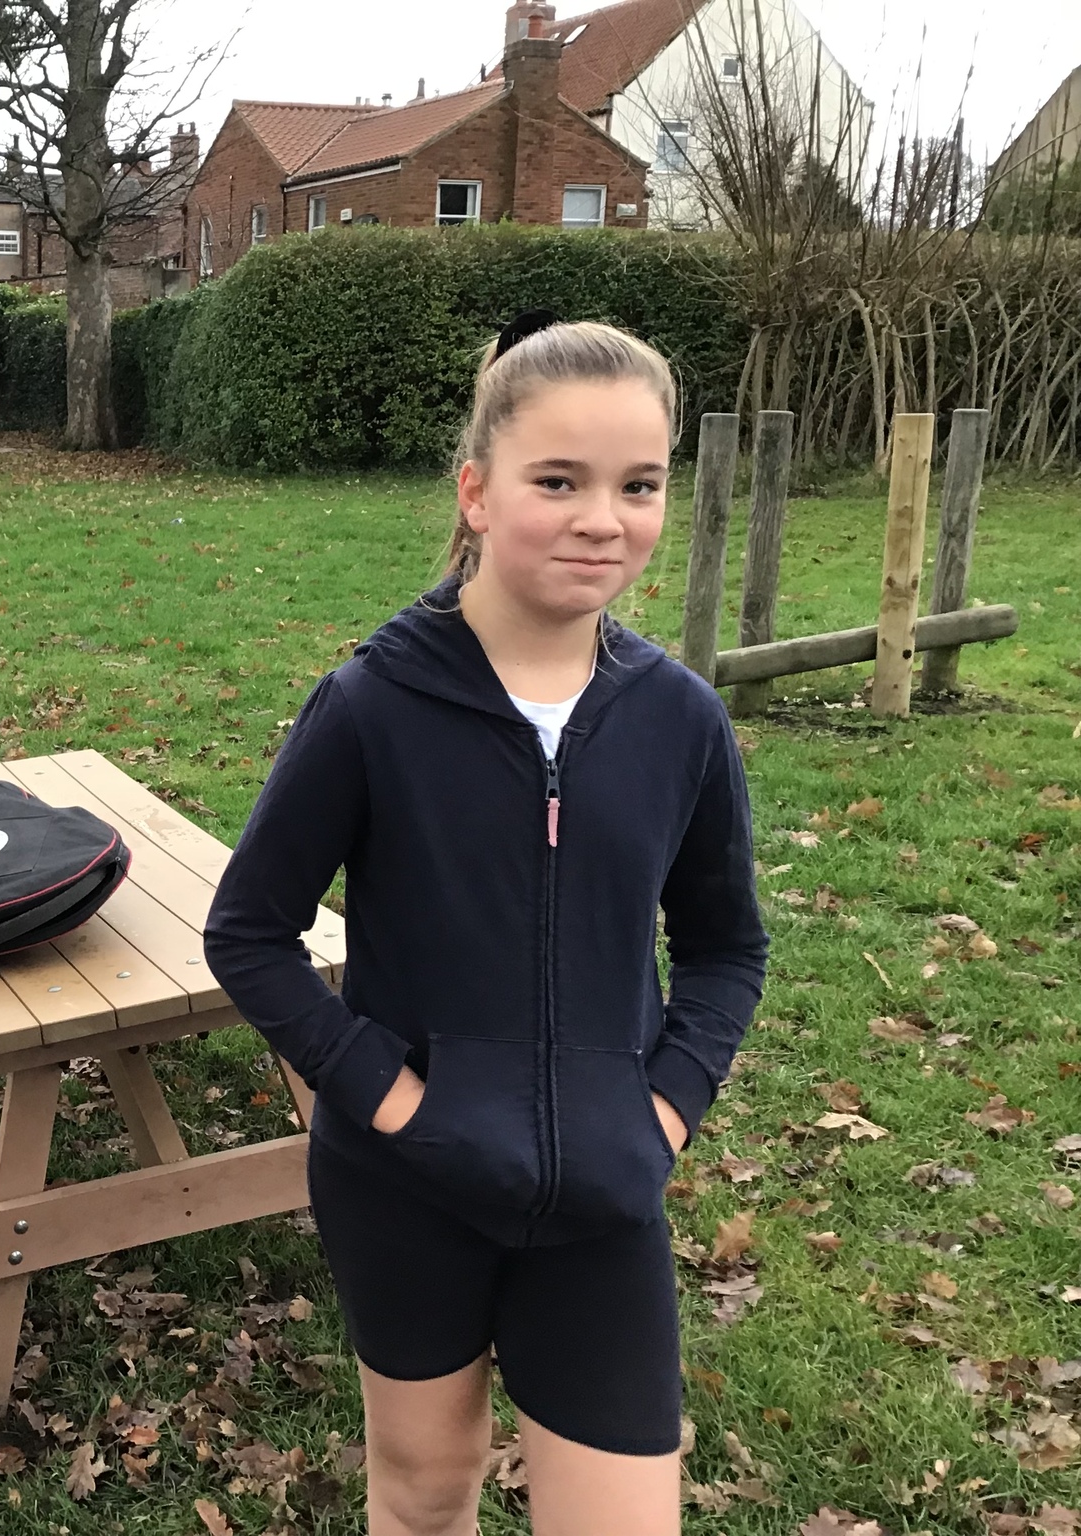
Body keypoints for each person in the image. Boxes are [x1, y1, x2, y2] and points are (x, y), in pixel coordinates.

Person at [203, 317, 768, 1535]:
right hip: (403, 1189)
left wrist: (662, 1110)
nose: (600, 520)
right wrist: (396, 1104)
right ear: (475, 491)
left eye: (637, 486)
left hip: (603, 1196)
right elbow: (247, 932)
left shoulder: (679, 720)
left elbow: (726, 946)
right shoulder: (371, 705)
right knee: (423, 1494)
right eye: (556, 481)